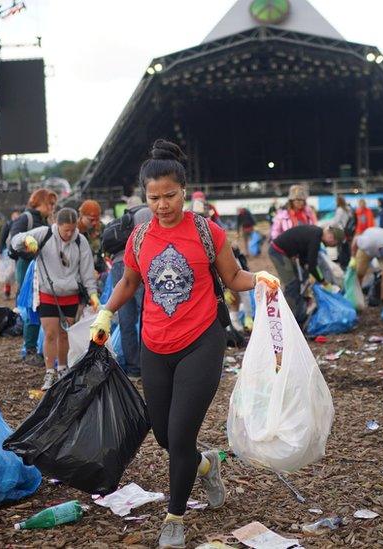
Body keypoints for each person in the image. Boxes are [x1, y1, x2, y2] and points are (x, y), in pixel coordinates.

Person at [88, 139, 278, 549]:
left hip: (201, 341)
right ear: (145, 196)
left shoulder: (206, 231)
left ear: (184, 191)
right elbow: (128, 282)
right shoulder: (139, 239)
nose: (162, 204)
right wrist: (105, 312)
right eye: (154, 197)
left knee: (180, 435)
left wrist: (259, 279)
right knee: (163, 435)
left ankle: (175, 517)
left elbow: (233, 278)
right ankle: (207, 465)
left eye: (170, 195)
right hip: (155, 345)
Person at [13, 207, 99, 389]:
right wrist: (26, 240)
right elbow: (15, 241)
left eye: (72, 229)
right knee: (50, 333)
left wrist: (93, 294)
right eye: (65, 229)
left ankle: (62, 368)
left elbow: (87, 271)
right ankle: (49, 371)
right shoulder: (44, 234)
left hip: (70, 295)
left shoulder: (80, 241)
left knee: (64, 334)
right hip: (48, 293)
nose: (69, 233)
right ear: (57, 225)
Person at [107, 195, 152, 380]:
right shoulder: (146, 213)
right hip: (136, 264)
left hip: (118, 265)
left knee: (126, 320)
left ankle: (133, 369)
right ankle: (148, 364)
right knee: (148, 314)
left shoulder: (123, 218)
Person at [10, 189, 57, 364]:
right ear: (39, 202)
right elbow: (14, 241)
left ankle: (36, 347)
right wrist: (29, 248)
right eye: (49, 204)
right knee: (32, 307)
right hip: (29, 266)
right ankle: (29, 350)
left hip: (42, 267)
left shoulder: (45, 221)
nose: (52, 208)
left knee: (42, 305)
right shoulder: (27, 218)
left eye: (53, 204)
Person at [270, 224, 345, 325]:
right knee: (292, 284)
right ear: (332, 238)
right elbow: (312, 266)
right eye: (335, 244)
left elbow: (304, 256)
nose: (332, 246)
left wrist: (305, 268)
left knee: (300, 281)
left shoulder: (315, 234)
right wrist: (323, 281)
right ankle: (288, 319)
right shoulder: (316, 237)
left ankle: (298, 313)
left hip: (285, 253)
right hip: (278, 251)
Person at [351, 226, 383, 304]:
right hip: (367, 248)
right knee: (359, 272)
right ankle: (357, 296)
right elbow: (355, 241)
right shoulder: (366, 243)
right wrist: (353, 258)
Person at [77, 199, 106, 274]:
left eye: (97, 219)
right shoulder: (75, 231)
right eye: (91, 220)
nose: (94, 223)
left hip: (100, 269)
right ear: (82, 216)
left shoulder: (101, 227)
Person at [0, 211, 20, 298]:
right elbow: (2, 238)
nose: (16, 219)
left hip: (18, 252)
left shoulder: (21, 224)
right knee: (8, 273)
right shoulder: (7, 225)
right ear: (12, 217)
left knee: (16, 273)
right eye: (15, 217)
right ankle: (7, 291)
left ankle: (18, 291)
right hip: (7, 253)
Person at [332, 196, 354, 268]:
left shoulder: (340, 209)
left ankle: (343, 262)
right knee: (346, 246)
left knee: (341, 247)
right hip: (348, 230)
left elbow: (336, 222)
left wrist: (332, 227)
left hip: (340, 230)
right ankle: (347, 261)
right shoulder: (348, 209)